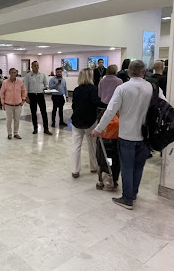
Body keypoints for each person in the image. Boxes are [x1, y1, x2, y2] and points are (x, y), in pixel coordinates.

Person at [92, 60, 165, 210]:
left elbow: (110, 111)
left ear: (129, 72)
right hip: (146, 135)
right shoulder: (152, 87)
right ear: (144, 71)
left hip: (127, 135)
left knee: (126, 167)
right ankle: (133, 193)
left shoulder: (122, 88)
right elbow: (164, 106)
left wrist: (98, 129)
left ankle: (127, 198)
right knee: (138, 167)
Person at [71, 68, 102, 178]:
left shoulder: (76, 90)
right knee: (92, 145)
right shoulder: (93, 89)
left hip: (76, 121)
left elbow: (73, 105)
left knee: (76, 146)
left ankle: (75, 170)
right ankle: (93, 166)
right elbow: (96, 102)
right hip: (90, 121)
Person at [96, 64, 122, 191]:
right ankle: (113, 176)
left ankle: (103, 174)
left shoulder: (102, 80)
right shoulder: (119, 81)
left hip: (103, 110)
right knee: (113, 151)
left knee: (103, 148)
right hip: (116, 113)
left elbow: (100, 95)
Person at [24, 61, 52, 135]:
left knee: (44, 112)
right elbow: (25, 87)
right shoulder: (28, 76)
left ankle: (46, 129)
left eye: (37, 65)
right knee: (33, 112)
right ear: (31, 67)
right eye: (35, 65)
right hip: (32, 95)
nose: (36, 67)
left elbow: (46, 84)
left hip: (40, 95)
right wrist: (26, 97)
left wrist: (46, 87)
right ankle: (35, 128)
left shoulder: (42, 75)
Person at [0, 68, 27, 139]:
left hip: (18, 104)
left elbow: (24, 91)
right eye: (12, 72)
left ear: (16, 73)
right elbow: (2, 93)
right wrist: (3, 103)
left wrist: (23, 100)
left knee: (17, 119)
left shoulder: (20, 82)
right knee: (9, 120)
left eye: (14, 72)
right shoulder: (5, 82)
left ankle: (16, 133)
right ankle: (9, 133)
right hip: (8, 104)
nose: (13, 74)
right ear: (9, 73)